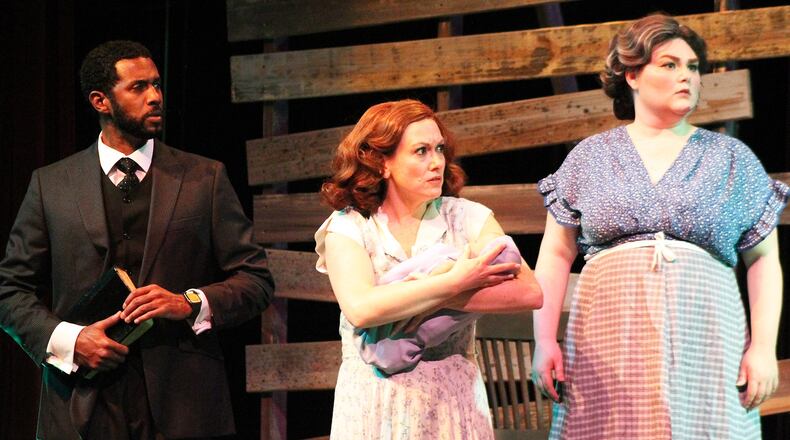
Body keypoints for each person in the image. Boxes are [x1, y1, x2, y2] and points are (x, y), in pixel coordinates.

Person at [0, 40, 275, 439]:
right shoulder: (51, 185)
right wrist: (71, 340)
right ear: (100, 100)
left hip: (183, 404)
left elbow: (257, 280)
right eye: (139, 88)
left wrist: (188, 302)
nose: (156, 97)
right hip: (81, 403)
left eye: (158, 86)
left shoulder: (204, 178)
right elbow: (11, 290)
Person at [531, 14, 786, 439]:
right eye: (669, 64)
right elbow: (556, 254)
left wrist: (763, 347)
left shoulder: (732, 159)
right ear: (632, 74)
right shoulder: (590, 157)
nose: (685, 75)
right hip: (608, 336)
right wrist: (544, 340)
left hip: (706, 334)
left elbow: (764, 260)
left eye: (692, 67)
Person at [314, 99, 543, 439]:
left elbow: (529, 292)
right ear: (382, 163)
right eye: (420, 151)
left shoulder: (467, 217)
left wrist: (435, 294)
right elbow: (362, 308)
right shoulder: (350, 226)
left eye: (439, 149)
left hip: (454, 395)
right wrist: (453, 282)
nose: (437, 162)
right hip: (376, 400)